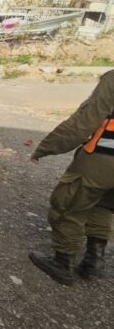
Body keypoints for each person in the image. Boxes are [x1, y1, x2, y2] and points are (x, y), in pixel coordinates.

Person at [29, 72, 114, 286]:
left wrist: (46, 148)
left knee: (68, 204)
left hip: (104, 158)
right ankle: (94, 262)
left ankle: (62, 262)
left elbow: (83, 123)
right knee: (102, 205)